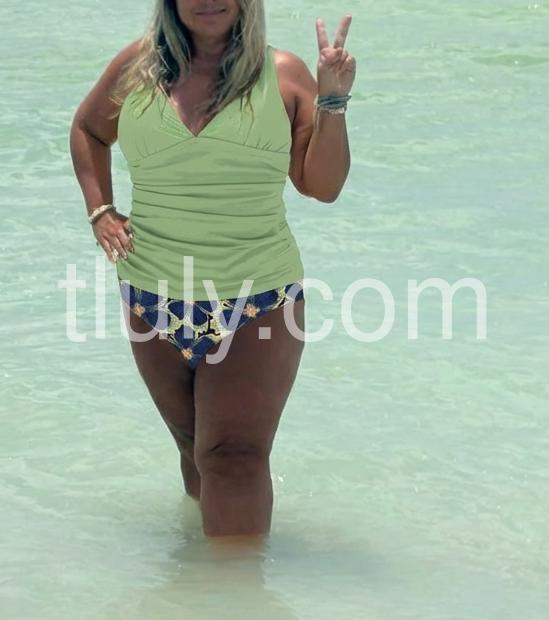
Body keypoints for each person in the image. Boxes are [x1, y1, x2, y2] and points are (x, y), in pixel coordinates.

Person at [69, 0, 355, 549]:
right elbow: (88, 128)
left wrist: (333, 100)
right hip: (151, 295)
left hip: (258, 299)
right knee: (196, 450)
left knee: (234, 458)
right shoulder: (137, 67)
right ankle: (202, 582)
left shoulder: (283, 74)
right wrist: (100, 210)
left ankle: (240, 588)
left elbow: (322, 186)